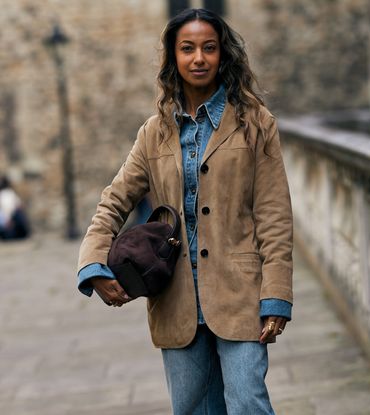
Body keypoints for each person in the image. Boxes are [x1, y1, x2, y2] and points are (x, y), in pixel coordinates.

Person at [77, 8, 293, 414]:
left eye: (209, 48)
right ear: (173, 58)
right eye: (188, 49)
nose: (199, 58)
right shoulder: (153, 132)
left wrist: (276, 296)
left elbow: (275, 216)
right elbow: (113, 202)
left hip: (241, 294)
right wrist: (92, 266)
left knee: (249, 402)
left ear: (222, 55)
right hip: (174, 297)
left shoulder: (255, 125)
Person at [0, 175, 30, 240]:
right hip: (7, 220)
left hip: (10, 219)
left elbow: (17, 206)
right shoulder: (7, 193)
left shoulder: (7, 193)